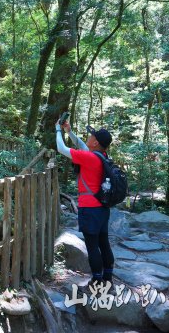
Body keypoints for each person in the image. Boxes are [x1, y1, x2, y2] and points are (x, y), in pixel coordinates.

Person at [55, 119, 115, 286]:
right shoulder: (102, 156)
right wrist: (69, 131)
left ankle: (96, 280)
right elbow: (83, 146)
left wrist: (57, 131)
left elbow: (61, 149)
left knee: (92, 246)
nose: (88, 137)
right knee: (104, 242)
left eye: (91, 136)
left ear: (95, 142)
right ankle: (107, 277)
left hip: (90, 208)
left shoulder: (90, 158)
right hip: (102, 208)